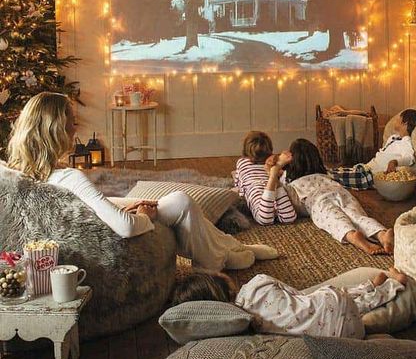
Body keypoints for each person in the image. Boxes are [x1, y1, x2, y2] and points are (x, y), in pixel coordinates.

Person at [6, 92, 278, 271]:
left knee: (173, 203)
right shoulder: (71, 176)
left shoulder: (25, 173)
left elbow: (84, 204)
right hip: (107, 240)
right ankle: (222, 258)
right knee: (181, 202)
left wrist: (129, 202)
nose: (76, 129)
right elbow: (124, 227)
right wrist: (145, 216)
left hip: (87, 228)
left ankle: (229, 245)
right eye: (70, 124)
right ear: (55, 131)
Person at [172, 267, 408, 339]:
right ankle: (389, 285)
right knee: (328, 297)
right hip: (337, 306)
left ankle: (373, 287)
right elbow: (299, 296)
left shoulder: (244, 326)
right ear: (221, 281)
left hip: (347, 335)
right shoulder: (257, 282)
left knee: (329, 307)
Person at [283, 138, 394, 254]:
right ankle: (382, 235)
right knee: (358, 216)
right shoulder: (325, 172)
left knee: (335, 220)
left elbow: (280, 188)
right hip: (339, 192)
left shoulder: (291, 181)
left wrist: (279, 166)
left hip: (318, 200)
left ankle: (352, 236)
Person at [328, 109, 416, 190]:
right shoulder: (393, 137)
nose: (396, 120)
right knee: (334, 172)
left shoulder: (406, 142)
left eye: (399, 118)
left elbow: (410, 158)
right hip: (366, 168)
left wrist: (395, 162)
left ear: (405, 123)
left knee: (333, 178)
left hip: (371, 176)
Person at [234, 131, 296, 226]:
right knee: (289, 217)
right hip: (273, 186)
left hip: (255, 189)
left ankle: (273, 175)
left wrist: (243, 196)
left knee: (265, 219)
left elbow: (239, 185)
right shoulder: (274, 161)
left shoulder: (241, 162)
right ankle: (273, 176)